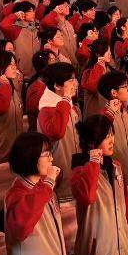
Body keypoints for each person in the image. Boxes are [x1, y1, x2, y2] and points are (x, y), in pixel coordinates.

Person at [70, 115, 128, 255]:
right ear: (92, 142)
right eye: (106, 136)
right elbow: (88, 197)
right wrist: (93, 162)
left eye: (112, 134)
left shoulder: (116, 166)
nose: (112, 140)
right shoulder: (79, 171)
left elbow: (124, 207)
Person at [5, 132, 70, 255]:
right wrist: (48, 183)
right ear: (30, 157)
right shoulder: (17, 193)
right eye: (46, 154)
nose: (51, 159)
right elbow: (21, 228)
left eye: (50, 154)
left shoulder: (44, 188)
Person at [37, 63, 80, 203]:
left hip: (75, 173)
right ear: (57, 86)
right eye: (71, 80)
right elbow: (57, 132)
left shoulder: (69, 105)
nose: (76, 83)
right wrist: (66, 99)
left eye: (75, 79)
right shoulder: (46, 109)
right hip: (61, 180)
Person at [98, 71, 128, 186]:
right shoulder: (105, 117)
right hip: (116, 177)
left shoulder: (126, 113)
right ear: (114, 92)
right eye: (125, 87)